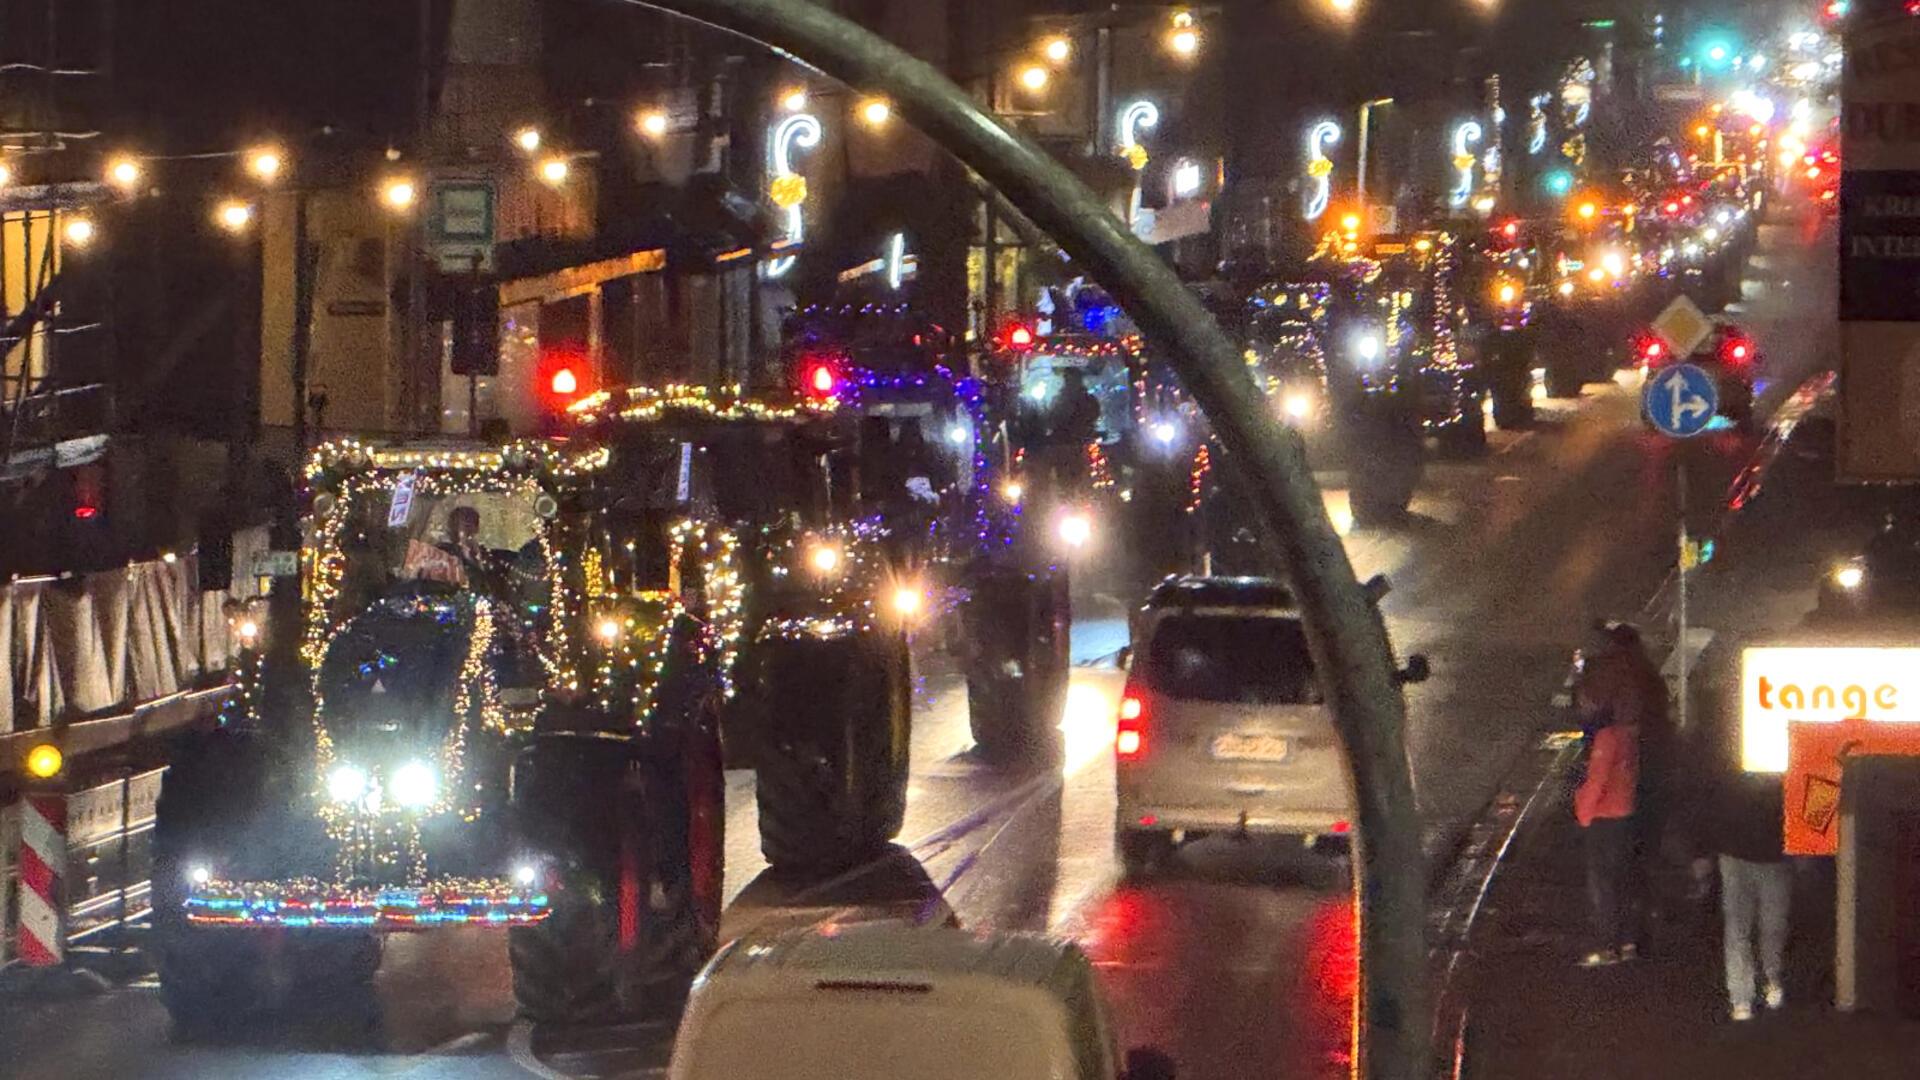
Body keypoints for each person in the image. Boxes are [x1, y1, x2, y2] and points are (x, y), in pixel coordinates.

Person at [1690, 639, 1792, 1022]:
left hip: (1741, 844)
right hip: (1765, 846)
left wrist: (1701, 849)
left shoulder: (1721, 733)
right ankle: (1759, 987)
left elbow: (1704, 792)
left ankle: (1747, 995)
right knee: (1765, 923)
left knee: (1745, 924)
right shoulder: (1782, 728)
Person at [1573, 702, 1641, 967]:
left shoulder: (1608, 737)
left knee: (1603, 885)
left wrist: (1584, 813)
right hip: (1625, 813)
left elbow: (1597, 778)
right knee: (1623, 879)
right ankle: (1627, 941)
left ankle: (1607, 946)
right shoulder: (1630, 737)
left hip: (1604, 817)